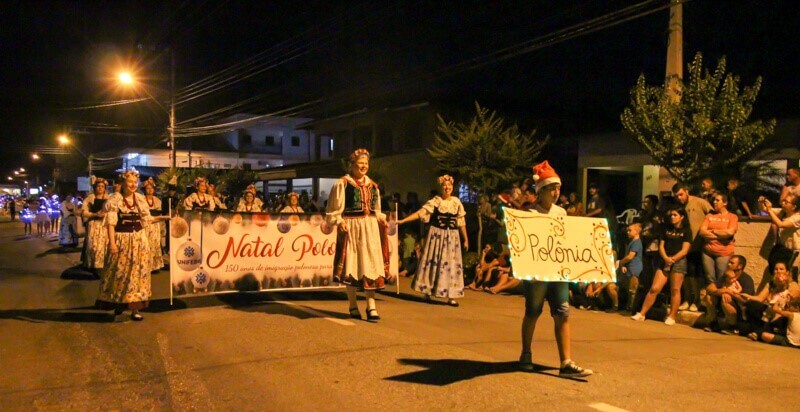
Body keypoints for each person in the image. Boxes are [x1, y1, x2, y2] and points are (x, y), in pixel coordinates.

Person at [518, 160, 592, 377]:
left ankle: (566, 362)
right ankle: (526, 353)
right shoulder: (530, 214)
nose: (556, 192)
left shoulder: (561, 213)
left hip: (558, 270)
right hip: (537, 272)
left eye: (558, 188)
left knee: (563, 312)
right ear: (541, 191)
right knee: (533, 311)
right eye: (552, 188)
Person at [326, 148, 390, 322]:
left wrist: (381, 219)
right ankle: (353, 304)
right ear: (353, 165)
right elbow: (333, 210)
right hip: (352, 227)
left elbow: (376, 210)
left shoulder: (373, 186)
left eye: (366, 163)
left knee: (370, 264)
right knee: (353, 266)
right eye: (361, 163)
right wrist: (340, 221)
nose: (364, 166)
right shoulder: (343, 184)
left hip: (369, 228)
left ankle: (371, 306)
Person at [398, 174, 468, 307]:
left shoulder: (456, 202)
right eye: (444, 185)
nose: (447, 187)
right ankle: (428, 291)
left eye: (449, 185)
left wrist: (466, 239)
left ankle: (451, 295)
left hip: (452, 236)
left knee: (451, 265)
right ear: (440, 187)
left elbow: (461, 222)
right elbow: (421, 213)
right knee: (434, 262)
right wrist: (403, 220)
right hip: (437, 235)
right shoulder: (436, 201)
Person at [96, 170, 154, 321]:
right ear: (122, 183)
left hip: (138, 240)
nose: (133, 185)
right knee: (119, 273)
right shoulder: (116, 200)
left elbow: (147, 220)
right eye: (130, 182)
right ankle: (118, 304)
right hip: (122, 240)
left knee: (137, 274)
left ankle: (135, 309)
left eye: (135, 182)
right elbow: (110, 224)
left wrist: (165, 218)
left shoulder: (140, 200)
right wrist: (112, 244)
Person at [631, 207, 692, 325]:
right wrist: (666, 258)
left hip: (678, 261)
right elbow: (661, 246)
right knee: (654, 288)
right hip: (665, 260)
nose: (672, 217)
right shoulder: (666, 229)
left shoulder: (686, 231)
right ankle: (642, 313)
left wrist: (673, 259)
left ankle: (672, 316)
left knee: (675, 289)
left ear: (682, 217)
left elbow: (685, 250)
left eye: (675, 215)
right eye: (671, 215)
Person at [672, 182, 712, 312]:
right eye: (677, 196)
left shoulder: (699, 202)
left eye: (681, 194)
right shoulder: (678, 207)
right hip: (683, 245)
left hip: (698, 244)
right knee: (685, 274)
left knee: (695, 274)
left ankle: (697, 301)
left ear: (687, 191)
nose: (679, 198)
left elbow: (712, 215)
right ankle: (687, 299)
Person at [701, 256, 755, 333]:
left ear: (740, 266)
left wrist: (729, 293)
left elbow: (745, 299)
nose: (728, 264)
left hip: (740, 308)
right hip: (723, 303)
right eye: (729, 262)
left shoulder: (746, 279)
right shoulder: (726, 276)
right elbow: (710, 288)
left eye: (732, 263)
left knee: (726, 299)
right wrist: (723, 291)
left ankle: (732, 327)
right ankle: (713, 323)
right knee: (709, 297)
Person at [699, 193, 738, 285]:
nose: (714, 202)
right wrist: (721, 235)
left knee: (722, 278)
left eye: (717, 200)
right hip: (708, 252)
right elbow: (702, 232)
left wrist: (712, 231)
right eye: (714, 200)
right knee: (709, 279)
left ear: (725, 203)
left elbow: (730, 232)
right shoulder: (709, 216)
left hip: (724, 253)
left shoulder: (732, 217)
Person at [759, 194, 800, 273]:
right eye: (783, 201)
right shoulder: (782, 211)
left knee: (789, 274)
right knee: (777, 272)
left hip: (794, 251)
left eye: (786, 202)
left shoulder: (797, 217)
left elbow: (781, 224)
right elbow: (764, 209)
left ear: (794, 207)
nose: (783, 203)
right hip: (783, 249)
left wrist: (770, 210)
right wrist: (761, 202)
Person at [82, 178, 109, 273]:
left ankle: (102, 264)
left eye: (102, 187)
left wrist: (105, 215)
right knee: (93, 245)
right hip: (93, 224)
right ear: (95, 187)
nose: (100, 188)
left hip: (104, 225)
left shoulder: (108, 199)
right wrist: (94, 214)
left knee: (103, 245)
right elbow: (84, 211)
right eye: (98, 186)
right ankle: (92, 264)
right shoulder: (90, 198)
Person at [142, 178, 169, 272]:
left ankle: (155, 265)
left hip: (155, 224)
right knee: (146, 244)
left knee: (155, 244)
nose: (150, 190)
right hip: (146, 224)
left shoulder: (157, 200)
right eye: (147, 188)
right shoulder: (141, 200)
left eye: (151, 188)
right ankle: (146, 265)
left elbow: (159, 212)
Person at [618, 222, 644, 312]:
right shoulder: (632, 242)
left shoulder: (636, 243)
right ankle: (628, 307)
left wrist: (621, 262)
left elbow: (630, 256)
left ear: (636, 232)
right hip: (630, 269)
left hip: (634, 269)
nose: (627, 232)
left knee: (633, 290)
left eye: (630, 230)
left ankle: (631, 309)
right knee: (630, 290)